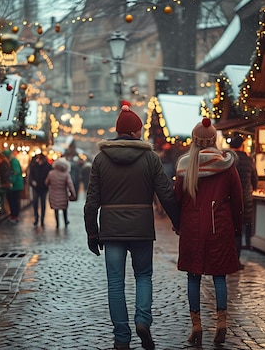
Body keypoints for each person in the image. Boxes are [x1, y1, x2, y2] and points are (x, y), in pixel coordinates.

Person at [84, 105, 180, 350]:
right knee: (143, 276)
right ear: (137, 131)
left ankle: (121, 338)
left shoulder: (100, 159)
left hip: (112, 229)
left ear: (118, 132)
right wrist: (178, 222)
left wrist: (92, 232)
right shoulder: (150, 158)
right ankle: (142, 321)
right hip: (141, 228)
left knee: (115, 283)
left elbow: (92, 201)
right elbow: (166, 194)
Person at [174, 118, 243, 346]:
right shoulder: (225, 164)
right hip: (219, 225)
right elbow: (237, 199)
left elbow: (177, 199)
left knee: (193, 277)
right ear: (214, 139)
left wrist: (177, 224)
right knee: (219, 276)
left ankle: (196, 326)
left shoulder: (185, 165)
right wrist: (237, 226)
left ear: (194, 140)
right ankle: (221, 321)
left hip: (192, 226)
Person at [229, 135, 258, 269]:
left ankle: (227, 259)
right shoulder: (248, 160)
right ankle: (236, 260)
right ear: (242, 145)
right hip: (245, 199)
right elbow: (254, 180)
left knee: (227, 229)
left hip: (229, 199)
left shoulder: (228, 159)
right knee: (238, 230)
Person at [45, 157, 76, 228]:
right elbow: (70, 185)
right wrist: (73, 194)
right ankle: (65, 221)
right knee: (64, 209)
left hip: (53, 194)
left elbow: (46, 182)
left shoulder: (51, 173)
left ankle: (57, 223)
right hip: (63, 194)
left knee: (56, 209)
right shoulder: (66, 174)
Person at [28, 153, 52, 227]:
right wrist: (32, 182)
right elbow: (31, 176)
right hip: (36, 187)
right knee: (35, 203)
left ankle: (42, 219)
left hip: (44, 187)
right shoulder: (34, 166)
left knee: (43, 203)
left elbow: (49, 176)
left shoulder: (48, 166)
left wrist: (47, 183)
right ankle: (36, 217)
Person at [3, 150, 24, 223]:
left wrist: (11, 181)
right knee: (13, 200)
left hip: (15, 185)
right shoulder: (13, 160)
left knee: (13, 200)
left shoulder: (13, 161)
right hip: (16, 184)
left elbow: (16, 172)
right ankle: (14, 215)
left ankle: (14, 215)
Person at [0, 151, 13, 220]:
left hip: (3, 183)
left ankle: (3, 211)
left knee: (2, 198)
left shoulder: (3, 164)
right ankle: (5, 211)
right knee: (4, 198)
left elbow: (3, 174)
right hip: (5, 183)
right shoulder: (7, 163)